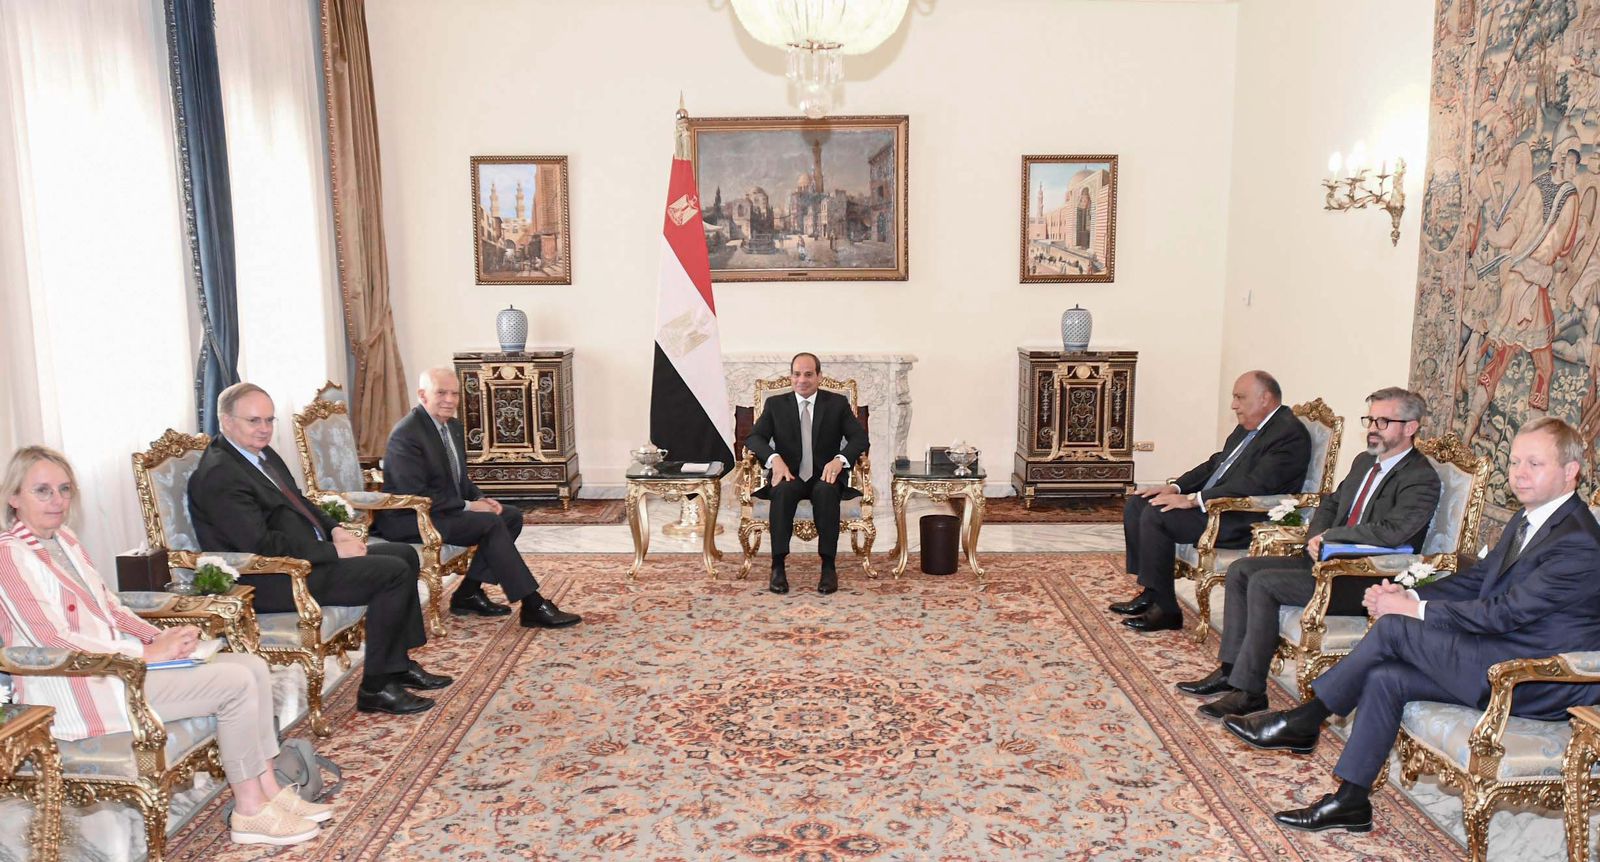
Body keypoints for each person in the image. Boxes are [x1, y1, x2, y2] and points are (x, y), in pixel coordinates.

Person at [1224, 417, 1600, 833]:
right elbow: (1477, 580)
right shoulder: (1529, 519)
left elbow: (1503, 613)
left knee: (1394, 629)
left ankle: (1308, 718)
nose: (1519, 474)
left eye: (1534, 464)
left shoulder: (1577, 542)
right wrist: (1411, 596)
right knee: (1387, 676)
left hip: (1534, 676)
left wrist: (1411, 611)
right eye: (1514, 462)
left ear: (1570, 471)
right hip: (1499, 650)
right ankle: (1351, 801)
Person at [0, 446, 332, 846]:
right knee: (236, 684)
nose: (57, 500)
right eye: (42, 491)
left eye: (64, 489)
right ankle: (250, 810)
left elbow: (109, 607)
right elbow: (50, 637)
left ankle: (270, 790)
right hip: (78, 685)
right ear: (14, 497)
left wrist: (156, 637)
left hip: (118, 669)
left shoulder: (64, 540)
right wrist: (142, 654)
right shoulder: (9, 555)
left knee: (253, 666)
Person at [1177, 387, 1442, 719]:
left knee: (1265, 583)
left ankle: (1250, 693)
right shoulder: (1364, 462)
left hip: (1362, 579)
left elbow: (1393, 532)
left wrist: (1333, 537)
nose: (1373, 429)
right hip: (1325, 559)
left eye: (1383, 422)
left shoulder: (1421, 478)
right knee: (1241, 570)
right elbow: (1331, 503)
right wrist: (1317, 535)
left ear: (1410, 427)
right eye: (1370, 420)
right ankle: (1230, 671)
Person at [188, 382, 448, 716]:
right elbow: (260, 546)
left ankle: (396, 665)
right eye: (254, 421)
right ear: (226, 421)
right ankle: (377, 687)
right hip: (272, 579)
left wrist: (335, 530)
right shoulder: (220, 475)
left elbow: (299, 501)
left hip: (306, 559)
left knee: (404, 554)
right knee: (392, 572)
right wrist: (333, 552)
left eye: (269, 420)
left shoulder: (259, 454)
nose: (264, 428)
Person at [373, 368, 579, 628]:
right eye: (441, 393)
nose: (450, 400)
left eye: (455, 394)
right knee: (489, 523)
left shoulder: (452, 427)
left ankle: (468, 593)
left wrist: (482, 499)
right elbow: (415, 494)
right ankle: (532, 604)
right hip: (410, 518)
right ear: (422, 395)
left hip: (441, 511)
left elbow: (458, 479)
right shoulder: (407, 434)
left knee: (509, 516)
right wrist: (470, 506)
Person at [1112, 371, 1311, 632]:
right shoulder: (1249, 427)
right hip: (1215, 506)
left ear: (1264, 398)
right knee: (1139, 503)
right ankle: (1152, 592)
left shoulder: (1288, 434)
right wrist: (1175, 487)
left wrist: (1195, 499)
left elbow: (1257, 484)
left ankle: (1166, 611)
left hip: (1242, 518)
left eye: (1240, 398)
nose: (1234, 405)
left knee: (1157, 515)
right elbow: (1216, 464)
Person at [744, 352, 869, 595]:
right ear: (790, 376)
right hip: (789, 474)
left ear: (819, 377)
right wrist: (774, 459)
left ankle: (828, 566)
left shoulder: (836, 404)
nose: (802, 380)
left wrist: (840, 460)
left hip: (825, 475)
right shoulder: (776, 405)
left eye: (808, 374)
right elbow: (754, 438)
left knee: (826, 492)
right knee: (781, 492)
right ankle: (778, 566)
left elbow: (859, 438)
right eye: (797, 374)